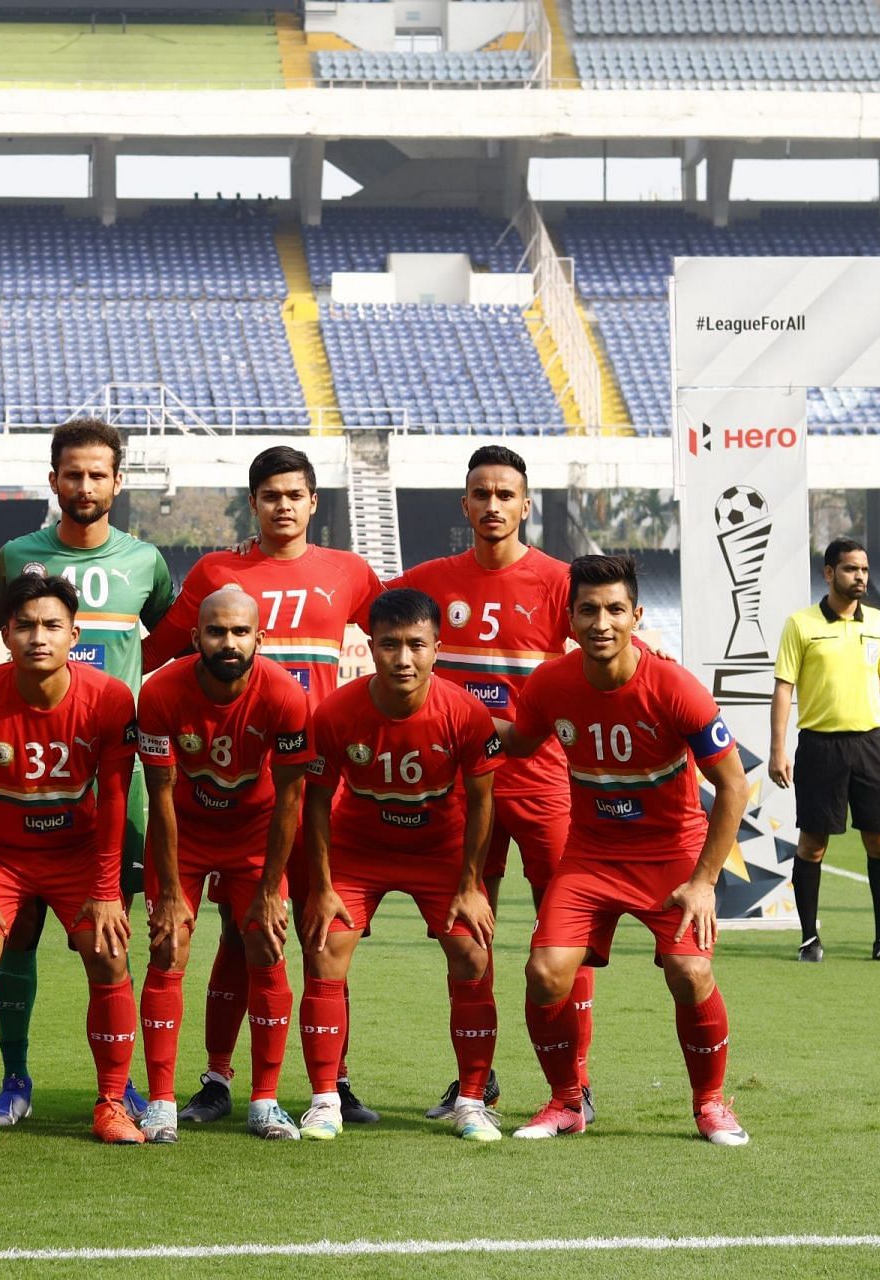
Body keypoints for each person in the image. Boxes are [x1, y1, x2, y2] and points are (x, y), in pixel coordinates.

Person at [141, 446, 383, 1127]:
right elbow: (156, 653)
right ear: (253, 503)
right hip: (234, 788)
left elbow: (409, 636)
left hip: (315, 791)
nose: (283, 505)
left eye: (295, 494)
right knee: (237, 934)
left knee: (316, 935)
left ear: (313, 502)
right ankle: (219, 1079)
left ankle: (331, 1080)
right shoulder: (219, 573)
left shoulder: (351, 572)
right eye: (269, 494)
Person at [0, 418, 174, 1125]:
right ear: (53, 481)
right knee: (6, 945)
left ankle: (121, 1087)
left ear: (117, 481)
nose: (84, 486)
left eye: (97, 474)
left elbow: (173, 645)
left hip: (111, 786)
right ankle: (11, 1080)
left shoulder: (146, 561)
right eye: (71, 474)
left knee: (110, 940)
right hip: (18, 794)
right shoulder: (18, 555)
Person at [503, 554, 751, 1145]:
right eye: (588, 610)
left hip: (672, 855)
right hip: (591, 858)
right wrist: (447, 713)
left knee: (690, 972)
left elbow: (735, 784)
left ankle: (711, 1104)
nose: (602, 622)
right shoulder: (550, 684)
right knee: (544, 973)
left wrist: (705, 881)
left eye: (615, 609)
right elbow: (515, 740)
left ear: (636, 615)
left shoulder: (674, 686)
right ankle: (567, 1103)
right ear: (570, 619)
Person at [389, 445, 592, 1121]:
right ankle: (476, 1082)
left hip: (542, 782)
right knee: (466, 930)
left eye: (507, 494)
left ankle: (576, 1082)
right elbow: (359, 607)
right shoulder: (427, 582)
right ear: (464, 505)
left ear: (526, 505)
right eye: (482, 494)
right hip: (457, 784)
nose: (494, 505)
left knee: (565, 933)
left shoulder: (561, 583)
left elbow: (606, 660)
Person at [0, 573, 143, 1146]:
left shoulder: (108, 698)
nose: (38, 637)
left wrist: (106, 889)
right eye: (24, 625)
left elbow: (114, 799)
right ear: (5, 634)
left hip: (77, 854)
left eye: (52, 625)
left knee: (108, 953)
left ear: (74, 633)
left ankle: (112, 1103)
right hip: (1, 857)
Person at [294, 588, 505, 1142]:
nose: (403, 659)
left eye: (416, 645)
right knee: (325, 947)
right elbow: (316, 801)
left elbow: (484, 801)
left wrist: (471, 885)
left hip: (439, 852)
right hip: (360, 849)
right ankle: (323, 1101)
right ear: (370, 646)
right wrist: (321, 886)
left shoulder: (465, 712)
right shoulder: (338, 712)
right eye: (389, 645)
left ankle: (472, 1101)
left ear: (438, 647)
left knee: (471, 950)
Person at [136, 587, 316, 1143]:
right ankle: (162, 1103)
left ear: (260, 639)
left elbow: (291, 798)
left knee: (265, 938)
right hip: (183, 833)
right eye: (217, 631)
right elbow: (160, 795)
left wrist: (267, 891)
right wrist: (168, 892)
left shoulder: (286, 697)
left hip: (254, 833)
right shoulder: (161, 692)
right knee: (169, 944)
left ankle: (265, 1102)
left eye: (240, 632)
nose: (229, 642)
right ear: (196, 638)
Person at [768, 538, 880, 964]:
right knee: (813, 844)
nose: (860, 578)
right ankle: (808, 939)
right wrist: (778, 749)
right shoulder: (801, 624)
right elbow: (784, 689)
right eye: (851, 569)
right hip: (820, 746)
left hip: (871, 745)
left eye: (865, 570)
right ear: (829, 573)